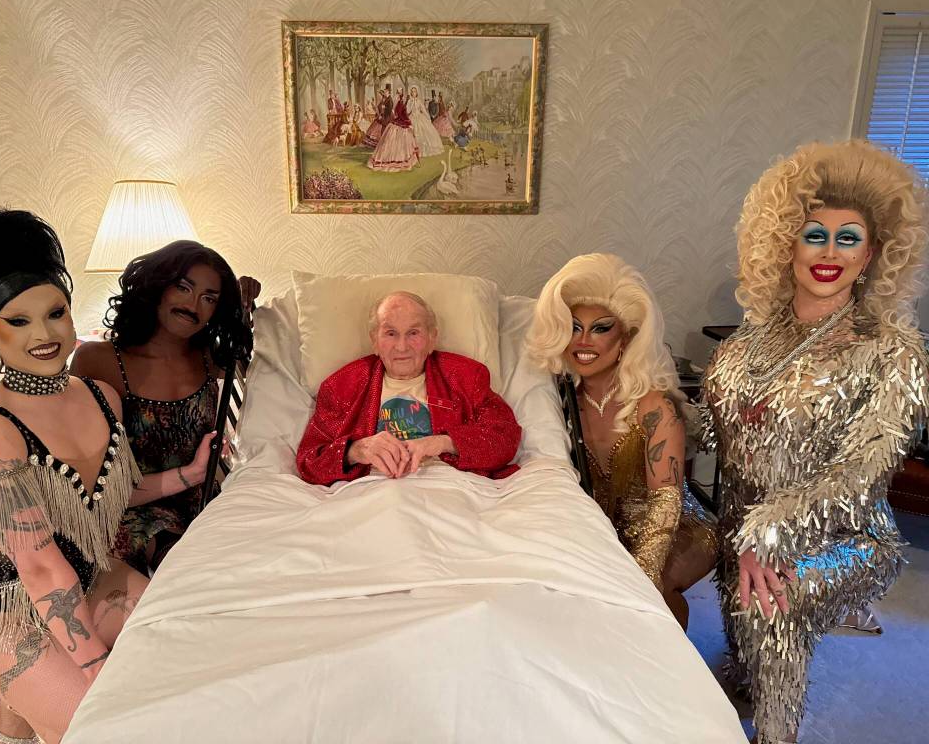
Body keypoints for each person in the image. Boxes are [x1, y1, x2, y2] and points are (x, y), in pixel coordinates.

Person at [699, 140, 928, 744]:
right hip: (742, 525)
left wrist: (770, 533)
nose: (830, 252)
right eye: (814, 235)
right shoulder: (745, 343)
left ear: (871, 254)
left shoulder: (891, 352)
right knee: (731, 579)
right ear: (786, 246)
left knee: (772, 599)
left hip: (845, 538)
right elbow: (716, 433)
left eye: (848, 238)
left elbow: (862, 475)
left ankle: (776, 736)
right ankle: (747, 673)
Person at [0, 210, 184, 743]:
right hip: (10, 611)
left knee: (179, 665)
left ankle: (8, 703)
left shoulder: (101, 395)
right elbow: (41, 568)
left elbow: (109, 494)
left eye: (56, 313)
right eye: (18, 321)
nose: (45, 334)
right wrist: (96, 670)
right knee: (105, 728)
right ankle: (7, 705)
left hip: (91, 576)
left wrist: (189, 473)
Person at [526, 253, 717, 629]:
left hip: (673, 525)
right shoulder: (557, 403)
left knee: (653, 592)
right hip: (600, 524)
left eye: (600, 329)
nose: (583, 341)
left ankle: (667, 659)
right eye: (574, 328)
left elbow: (666, 502)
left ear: (625, 338)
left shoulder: (654, 406)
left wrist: (639, 577)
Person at [71, 241, 240, 575]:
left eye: (209, 298)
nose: (193, 305)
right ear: (158, 286)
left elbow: (268, 365)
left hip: (203, 502)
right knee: (184, 575)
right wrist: (189, 474)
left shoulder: (211, 358)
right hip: (131, 509)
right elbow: (90, 480)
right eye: (183, 288)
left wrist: (245, 302)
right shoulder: (98, 359)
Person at [297, 291, 521, 485]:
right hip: (370, 488)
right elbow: (309, 461)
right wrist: (355, 451)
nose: (402, 347)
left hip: (448, 484)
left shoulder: (465, 376)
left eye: (413, 333)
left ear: (432, 338)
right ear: (374, 341)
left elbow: (505, 438)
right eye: (390, 333)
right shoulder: (342, 386)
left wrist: (443, 442)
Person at [367, 89, 419, 172]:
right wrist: (409, 123)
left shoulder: (398, 103)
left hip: (395, 122)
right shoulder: (399, 103)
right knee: (395, 143)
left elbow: (399, 114)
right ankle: (394, 160)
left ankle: (388, 159)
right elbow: (402, 115)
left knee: (393, 143)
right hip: (398, 123)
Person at [408, 85, 444, 158]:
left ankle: (422, 151)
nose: (413, 93)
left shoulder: (419, 101)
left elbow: (423, 110)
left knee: (423, 133)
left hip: (419, 118)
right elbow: (407, 111)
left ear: (417, 93)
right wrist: (411, 104)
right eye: (412, 92)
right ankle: (412, 151)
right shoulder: (409, 101)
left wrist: (428, 118)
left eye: (414, 91)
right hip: (412, 118)